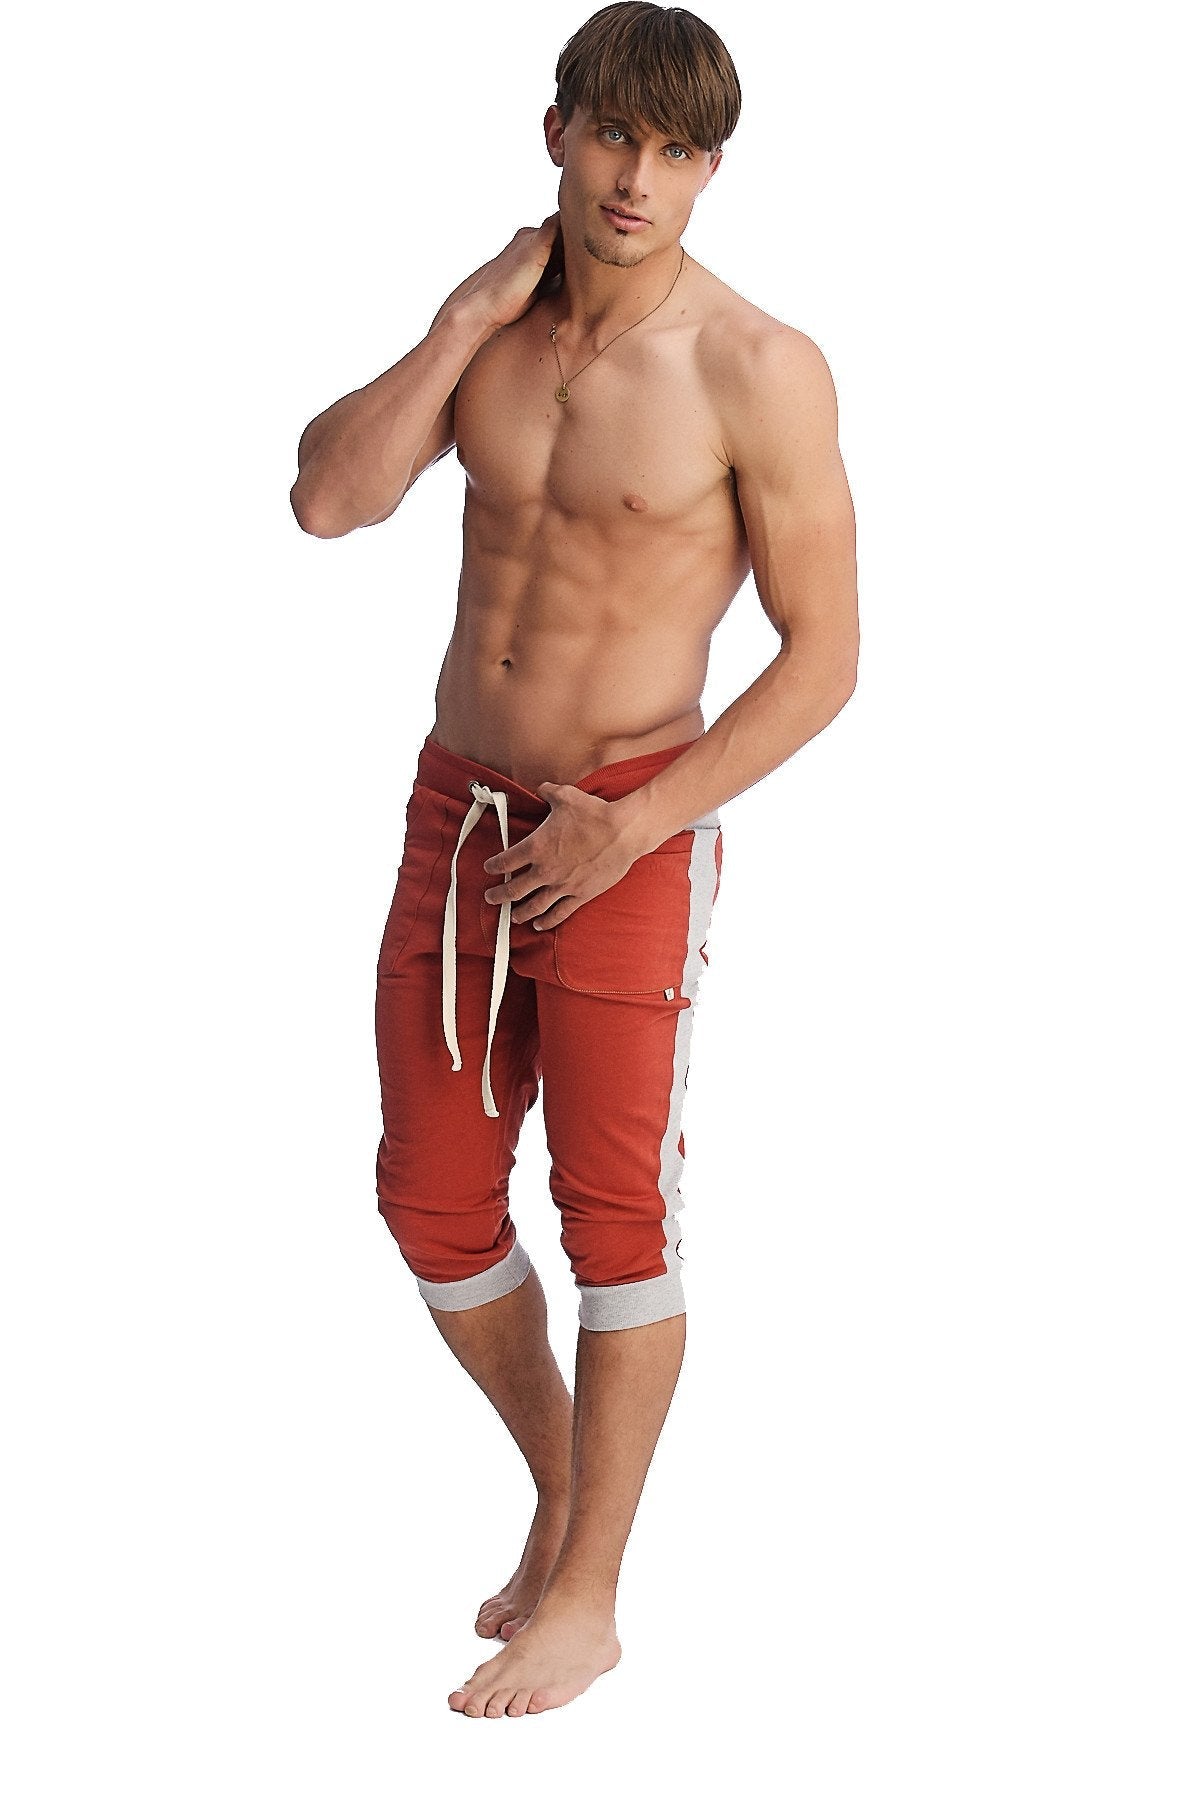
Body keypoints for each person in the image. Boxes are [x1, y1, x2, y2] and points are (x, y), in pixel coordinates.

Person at [290, 0, 858, 1720]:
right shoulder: (494, 335)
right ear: (557, 133)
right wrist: (461, 316)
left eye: (680, 152)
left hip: (626, 829)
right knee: (429, 1197)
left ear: (710, 172)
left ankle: (591, 1599)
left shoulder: (756, 366)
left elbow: (827, 658)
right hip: (456, 812)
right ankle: (562, 1492)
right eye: (616, 134)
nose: (639, 178)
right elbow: (328, 500)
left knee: (616, 1217)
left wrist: (639, 819)